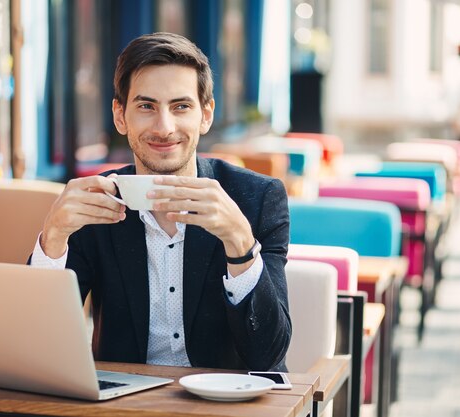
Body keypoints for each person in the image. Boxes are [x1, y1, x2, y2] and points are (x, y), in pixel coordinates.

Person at [30, 32, 291, 371]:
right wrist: (52, 240)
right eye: (146, 107)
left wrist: (240, 242)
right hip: (124, 402)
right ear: (121, 116)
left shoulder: (258, 198)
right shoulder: (96, 200)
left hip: (228, 401)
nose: (164, 127)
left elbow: (268, 355)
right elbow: (41, 343)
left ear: (205, 115)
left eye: (181, 107)